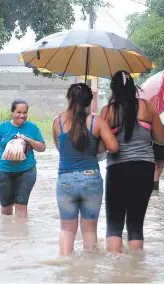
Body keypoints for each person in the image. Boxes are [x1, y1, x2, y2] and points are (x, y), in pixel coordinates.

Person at [101, 70, 164, 253]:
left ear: (113, 89)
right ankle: (136, 270)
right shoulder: (147, 107)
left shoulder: (107, 112)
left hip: (117, 169)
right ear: (134, 88)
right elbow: (162, 139)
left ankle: (116, 272)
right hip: (144, 169)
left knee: (114, 225)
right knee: (135, 224)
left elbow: (102, 146)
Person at [52, 83, 119, 256]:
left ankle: (67, 267)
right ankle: (89, 272)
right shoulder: (96, 122)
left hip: (65, 179)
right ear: (89, 102)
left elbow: (61, 149)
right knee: (89, 230)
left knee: (67, 229)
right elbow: (113, 147)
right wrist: (97, 144)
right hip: (91, 178)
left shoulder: (57, 122)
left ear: (68, 99)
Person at [0, 99, 46, 218]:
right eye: (18, 112)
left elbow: (42, 148)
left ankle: (21, 235)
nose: (22, 115)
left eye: (25, 112)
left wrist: (28, 140)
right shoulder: (2, 127)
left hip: (27, 171)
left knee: (21, 205)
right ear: (12, 112)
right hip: (3, 171)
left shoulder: (32, 128)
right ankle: (8, 235)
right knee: (6, 206)